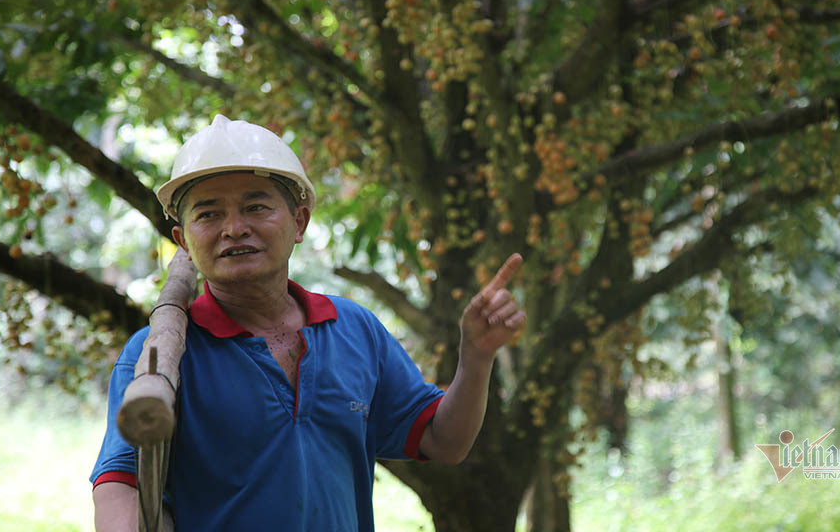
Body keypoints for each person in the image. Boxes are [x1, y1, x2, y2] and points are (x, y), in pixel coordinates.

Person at [90, 115, 526, 531]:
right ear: (184, 241)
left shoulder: (354, 329)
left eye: (255, 206)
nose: (234, 228)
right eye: (208, 214)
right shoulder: (160, 354)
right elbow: (119, 487)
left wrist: (476, 357)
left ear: (299, 222)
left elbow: (443, 441)